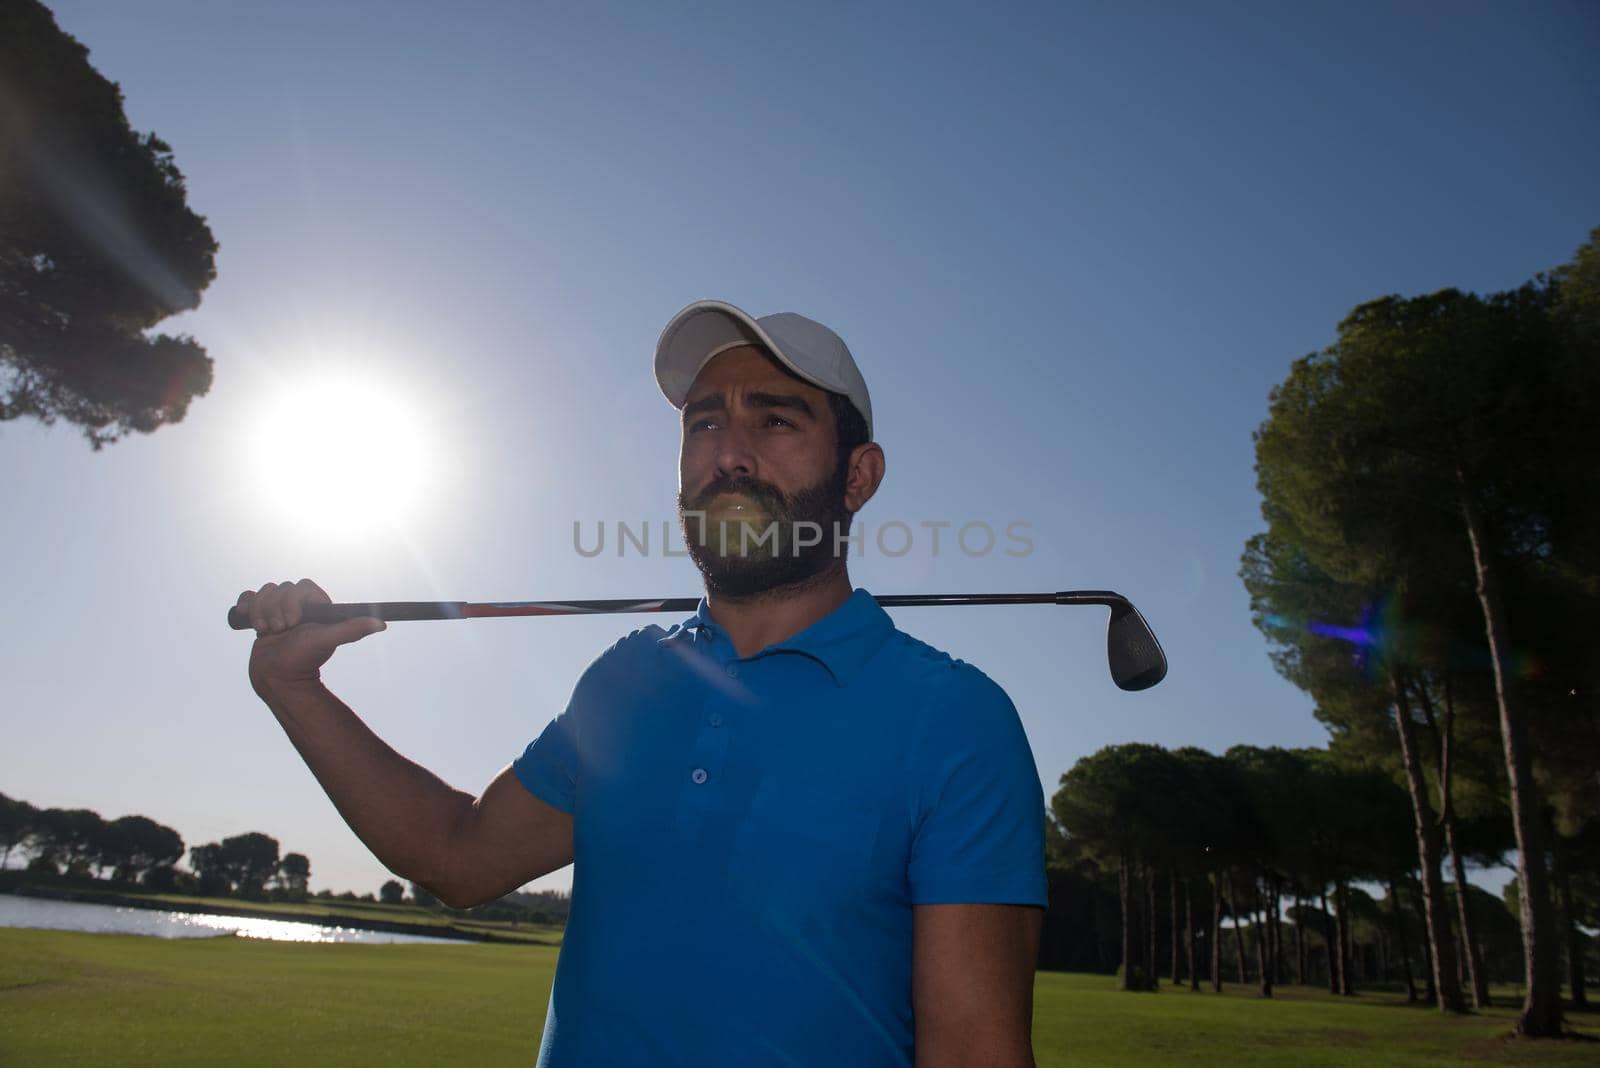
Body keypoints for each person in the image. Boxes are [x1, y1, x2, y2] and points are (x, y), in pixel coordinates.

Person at [237, 299, 1047, 1066]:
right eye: (705, 422)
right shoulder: (627, 682)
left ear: (859, 476)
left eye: (774, 419)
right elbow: (460, 859)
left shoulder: (956, 718)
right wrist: (296, 691)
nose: (730, 453)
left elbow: (976, 1053)